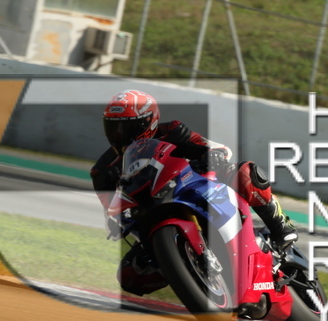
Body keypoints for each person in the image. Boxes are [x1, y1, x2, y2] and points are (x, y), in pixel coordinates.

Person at [90, 89, 297, 295]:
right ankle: (184, 271)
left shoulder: (172, 131)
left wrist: (212, 155)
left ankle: (280, 226)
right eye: (113, 127)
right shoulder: (102, 170)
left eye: (126, 128)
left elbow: (215, 148)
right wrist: (117, 220)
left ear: (147, 122)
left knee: (244, 173)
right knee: (128, 277)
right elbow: (111, 208)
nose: (118, 135)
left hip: (192, 186)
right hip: (148, 215)